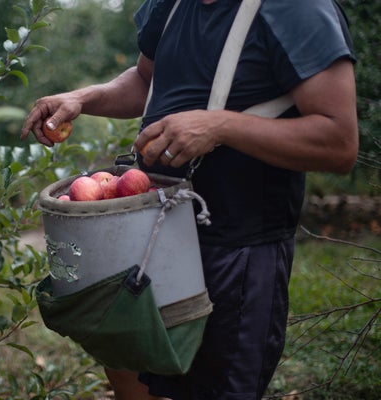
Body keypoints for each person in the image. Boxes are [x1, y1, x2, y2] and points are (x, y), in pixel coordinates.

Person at [21, 0, 358, 399]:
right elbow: (149, 79)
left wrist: (219, 126)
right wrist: (85, 98)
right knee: (134, 371)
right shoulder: (171, 4)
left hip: (237, 248)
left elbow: (338, 142)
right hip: (147, 235)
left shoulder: (296, 9)